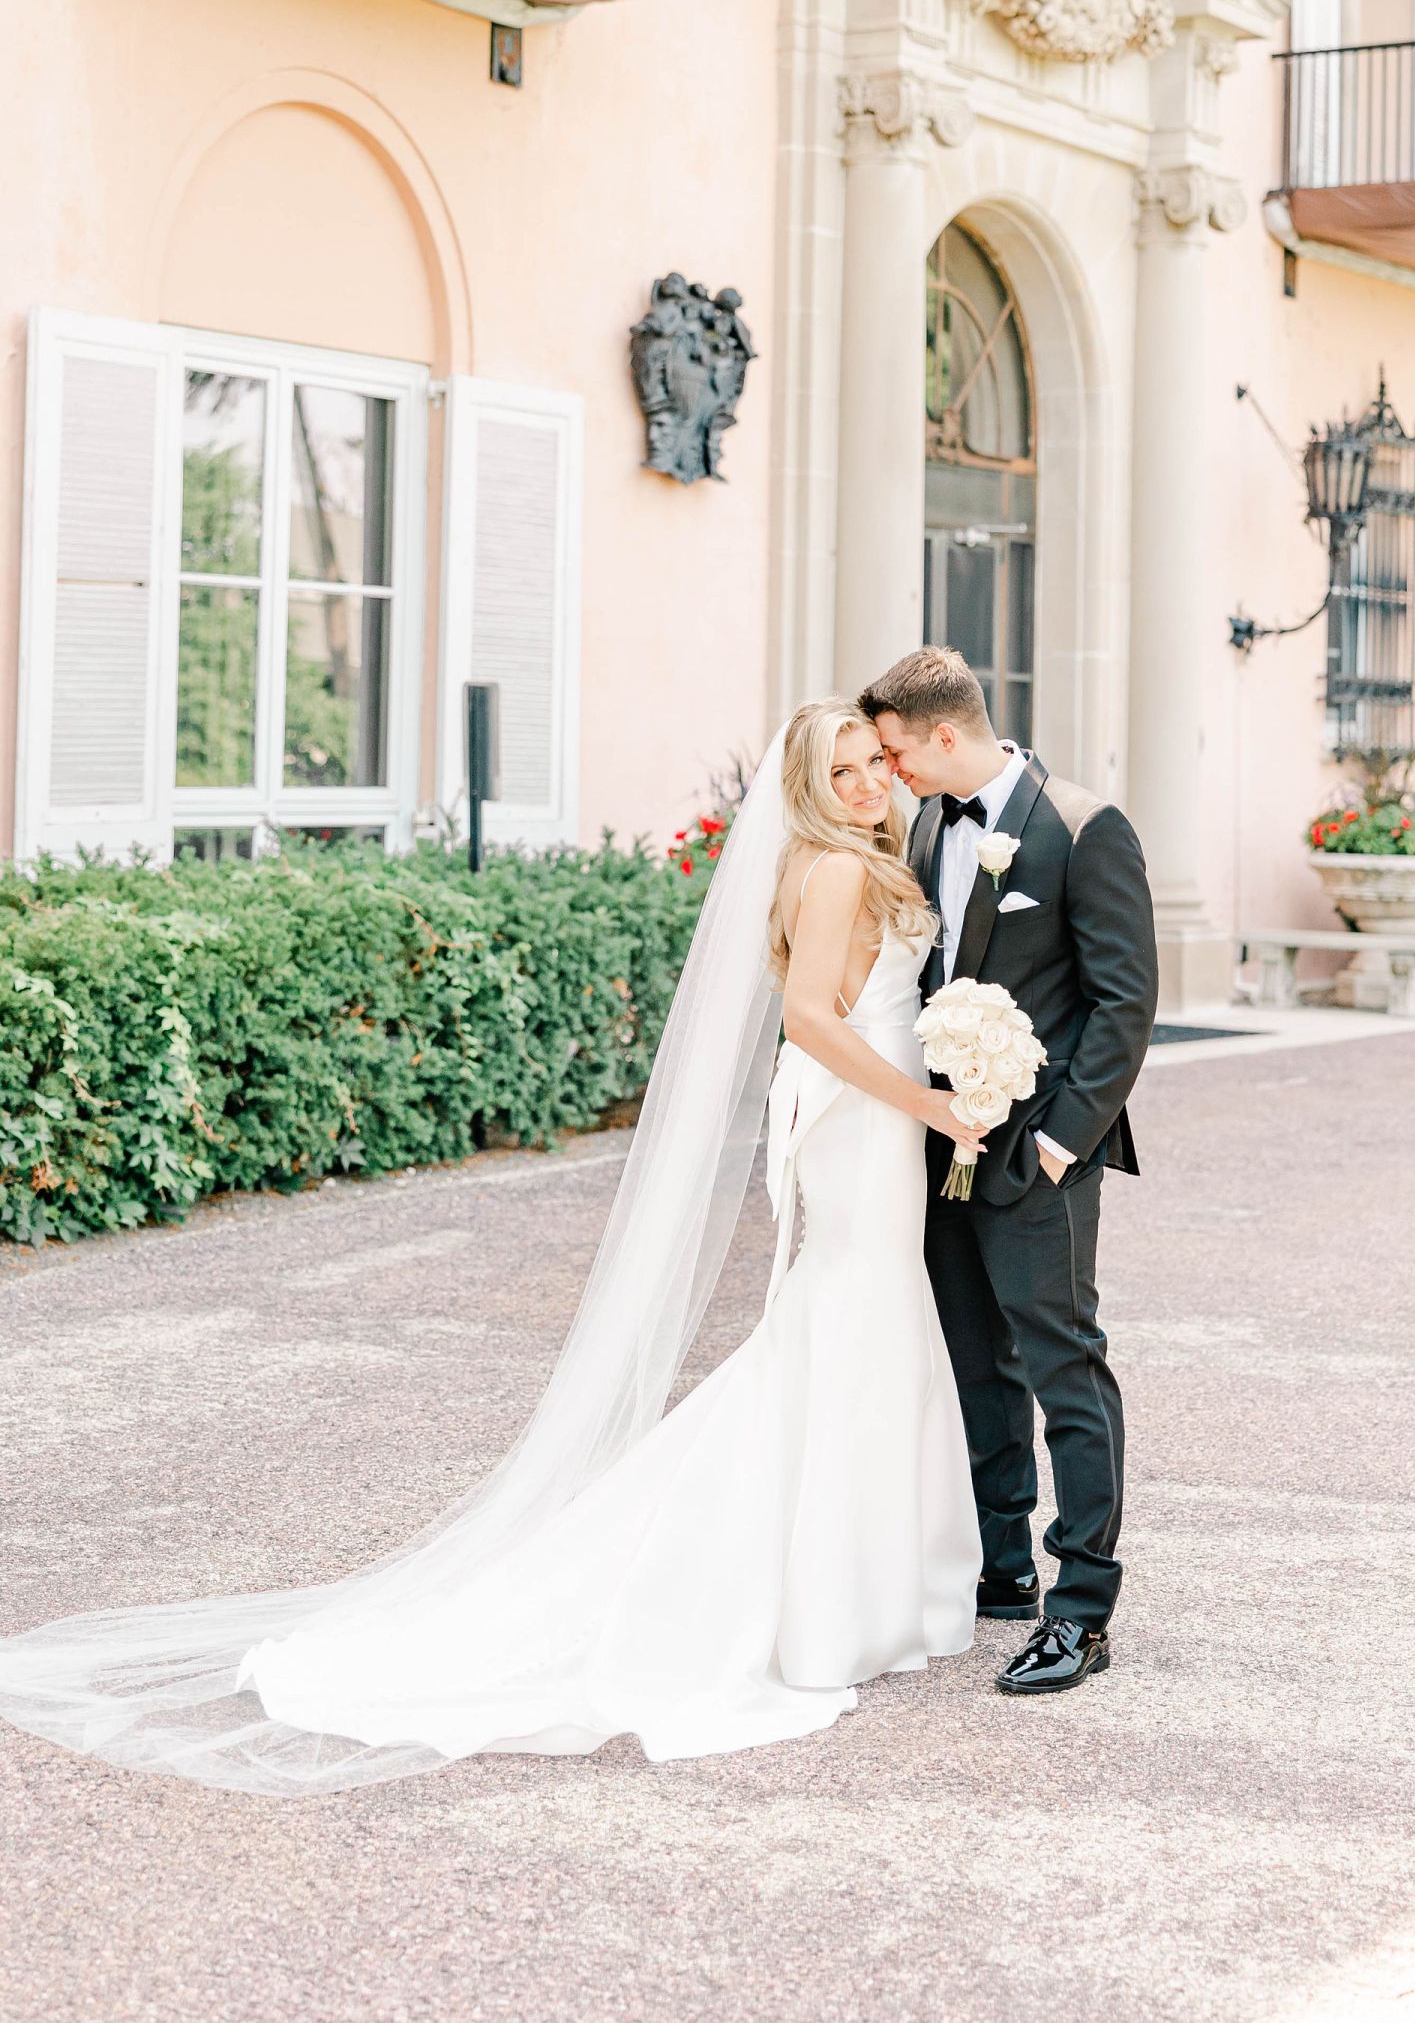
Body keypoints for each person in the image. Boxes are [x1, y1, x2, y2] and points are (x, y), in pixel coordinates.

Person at [0, 705, 980, 1791]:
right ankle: (833, 1603)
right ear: (804, 785)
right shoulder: (836, 870)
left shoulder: (840, 859)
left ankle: (858, 1591)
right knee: (850, 1316)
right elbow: (808, 1018)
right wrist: (928, 1104)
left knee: (856, 1321)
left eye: (869, 765)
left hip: (862, 1115)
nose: (863, 784)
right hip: (863, 1117)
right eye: (839, 770)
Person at [861, 647, 1158, 1699]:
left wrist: (1057, 1141)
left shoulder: (1083, 828)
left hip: (1041, 1151)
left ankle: (1084, 1612)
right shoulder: (932, 821)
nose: (887, 770)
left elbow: (1124, 1004)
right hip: (942, 1145)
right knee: (975, 1364)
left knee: (1064, 1364)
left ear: (946, 734)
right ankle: (1002, 1572)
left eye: (895, 750)